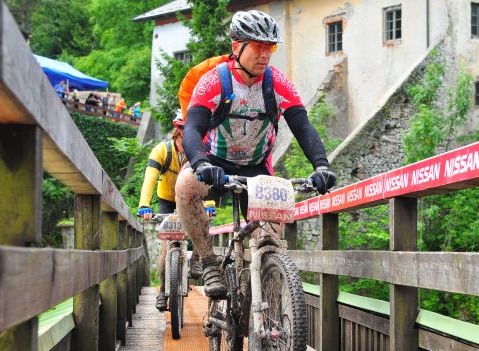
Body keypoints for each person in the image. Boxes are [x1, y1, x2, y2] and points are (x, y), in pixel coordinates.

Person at [175, 10, 337, 299]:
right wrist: (200, 162)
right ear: (236, 46)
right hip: (214, 163)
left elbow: (303, 126)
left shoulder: (277, 83)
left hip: (256, 168)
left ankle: (269, 307)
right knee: (185, 185)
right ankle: (209, 262)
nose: (265, 55)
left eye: (270, 47)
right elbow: (192, 128)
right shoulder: (214, 81)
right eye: (258, 46)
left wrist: (322, 165)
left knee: (270, 241)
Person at [138, 110, 202, 311]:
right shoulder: (162, 151)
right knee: (167, 247)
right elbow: (149, 179)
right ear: (178, 129)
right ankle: (162, 292)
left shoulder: (198, 152)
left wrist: (209, 204)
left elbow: (206, 180)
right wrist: (144, 205)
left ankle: (197, 260)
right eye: (184, 128)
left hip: (190, 199)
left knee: (200, 228)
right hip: (167, 200)